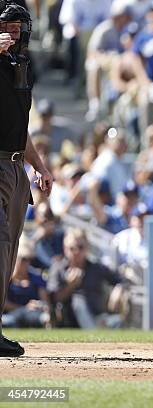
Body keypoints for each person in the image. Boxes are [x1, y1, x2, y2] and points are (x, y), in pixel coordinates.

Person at [0, 3, 53, 357]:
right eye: (7, 26)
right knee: (0, 242)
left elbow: (22, 126)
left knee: (10, 248)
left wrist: (39, 165)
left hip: (16, 167)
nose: (14, 33)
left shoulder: (22, 68)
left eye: (19, 26)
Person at [47, 229, 124, 329]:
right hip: (68, 322)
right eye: (72, 248)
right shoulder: (58, 268)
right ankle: (93, 334)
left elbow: (121, 279)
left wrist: (118, 289)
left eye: (80, 247)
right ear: (65, 249)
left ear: (87, 248)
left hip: (98, 318)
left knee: (119, 321)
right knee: (78, 300)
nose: (76, 252)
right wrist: (70, 286)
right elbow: (53, 299)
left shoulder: (96, 267)